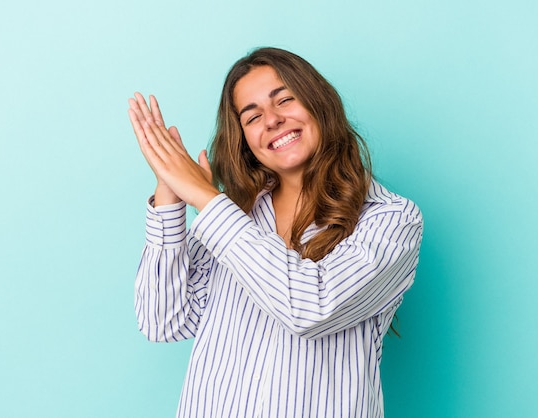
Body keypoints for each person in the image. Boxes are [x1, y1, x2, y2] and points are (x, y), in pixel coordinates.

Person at [128, 47, 423, 418]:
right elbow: (164, 321)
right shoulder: (237, 218)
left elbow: (311, 310)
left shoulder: (391, 219)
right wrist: (170, 192)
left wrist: (205, 198)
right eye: (251, 117)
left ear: (319, 104)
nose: (271, 120)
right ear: (245, 140)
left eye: (284, 99)